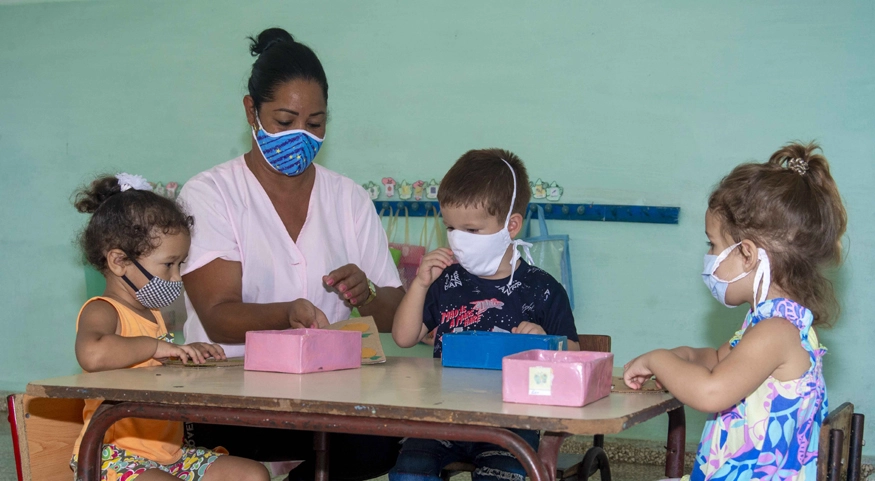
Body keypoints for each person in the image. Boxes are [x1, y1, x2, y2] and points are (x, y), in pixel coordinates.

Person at [177, 28, 404, 480]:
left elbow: (395, 317)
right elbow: (219, 315)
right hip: (231, 399)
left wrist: (367, 292)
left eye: (315, 123)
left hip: (330, 396)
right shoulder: (211, 193)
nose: (301, 135)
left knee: (378, 446)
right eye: (284, 121)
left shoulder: (349, 199)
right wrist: (290, 312)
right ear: (251, 111)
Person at [623, 142, 847, 481]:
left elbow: (712, 392)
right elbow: (718, 359)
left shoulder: (777, 331)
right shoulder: (770, 323)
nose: (709, 256)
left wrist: (657, 359)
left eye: (712, 244)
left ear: (747, 254)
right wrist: (682, 356)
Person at [390, 148, 579, 481]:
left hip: (512, 425)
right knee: (408, 471)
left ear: (512, 226)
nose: (459, 240)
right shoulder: (447, 280)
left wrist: (546, 344)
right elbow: (404, 338)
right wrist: (419, 284)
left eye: (472, 230)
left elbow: (575, 356)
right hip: (442, 418)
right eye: (450, 228)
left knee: (503, 475)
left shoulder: (542, 289)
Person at [71, 173, 269, 481]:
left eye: (181, 264)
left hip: (168, 453)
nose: (177, 278)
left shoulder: (153, 315)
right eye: (168, 264)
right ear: (119, 261)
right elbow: (92, 355)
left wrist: (182, 355)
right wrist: (157, 346)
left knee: (252, 475)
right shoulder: (103, 309)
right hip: (113, 457)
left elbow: (150, 370)